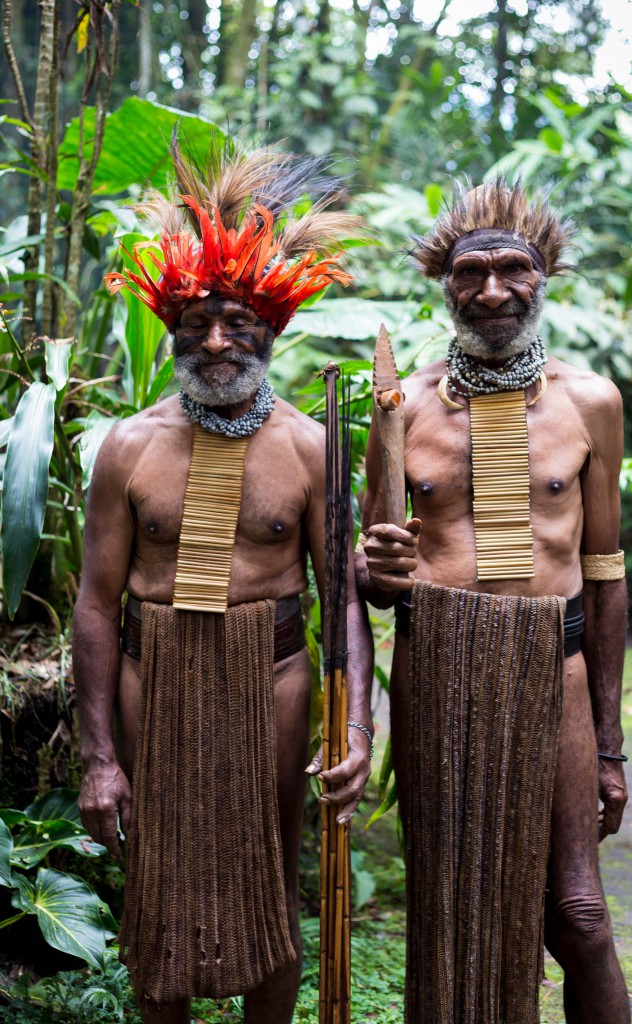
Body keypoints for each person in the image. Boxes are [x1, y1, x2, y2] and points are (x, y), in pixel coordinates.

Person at [73, 141, 373, 1024]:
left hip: (272, 681)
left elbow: (344, 595)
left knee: (269, 876)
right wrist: (98, 759)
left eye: (238, 320)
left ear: (270, 330)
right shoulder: (128, 447)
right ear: (171, 329)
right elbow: (95, 604)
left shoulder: (311, 447)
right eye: (198, 320)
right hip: (151, 677)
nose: (217, 339)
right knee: (158, 883)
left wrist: (354, 722)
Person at [356, 179, 630, 1024]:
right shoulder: (401, 412)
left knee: (578, 915)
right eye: (471, 273)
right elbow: (374, 571)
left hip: (558, 675)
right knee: (451, 914)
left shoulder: (591, 403)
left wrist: (613, 746)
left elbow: (606, 573)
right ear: (445, 282)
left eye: (514, 269)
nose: (493, 291)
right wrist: (383, 567)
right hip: (440, 673)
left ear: (544, 277)